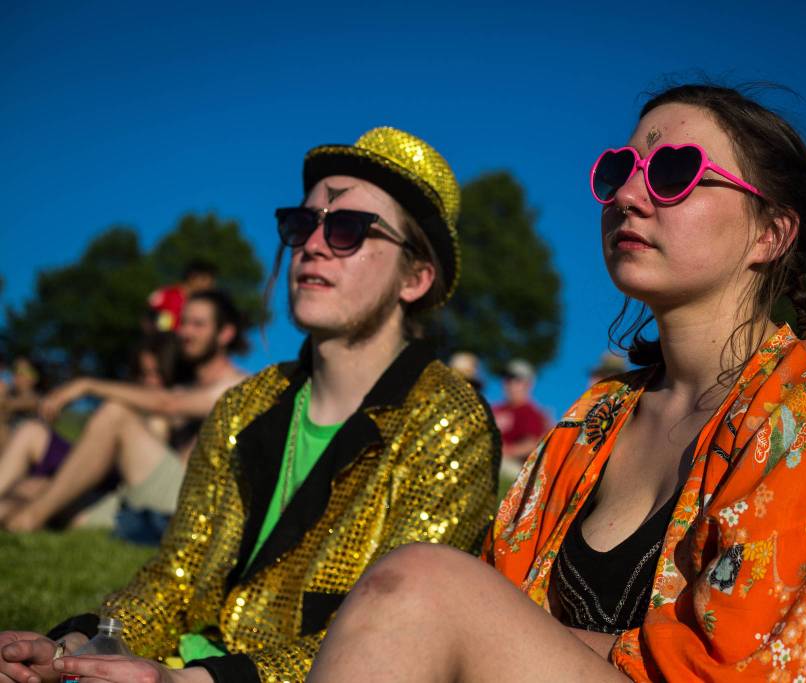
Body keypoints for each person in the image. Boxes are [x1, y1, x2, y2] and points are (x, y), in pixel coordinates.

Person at [304, 84, 806, 682]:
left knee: (422, 586)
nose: (628, 194)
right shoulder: (595, 418)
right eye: (619, 170)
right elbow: (501, 598)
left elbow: (753, 664)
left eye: (675, 171)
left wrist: (474, 633)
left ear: (771, 233)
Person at [2, 126, 500, 683]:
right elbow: (175, 579)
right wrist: (76, 646)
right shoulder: (245, 405)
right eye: (301, 223)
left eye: (347, 229)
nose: (311, 243)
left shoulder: (448, 418)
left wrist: (198, 681)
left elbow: (397, 637)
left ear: (416, 276)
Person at [2, 290, 248, 534]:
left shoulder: (238, 386)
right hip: (147, 489)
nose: (185, 332)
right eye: (184, 322)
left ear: (225, 333)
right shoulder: (188, 387)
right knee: (31, 489)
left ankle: (28, 521)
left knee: (115, 414)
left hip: (189, 497)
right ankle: (23, 514)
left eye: (198, 324)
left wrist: (87, 385)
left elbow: (168, 403)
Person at [0, 334, 179, 526]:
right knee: (31, 441)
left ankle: (27, 519)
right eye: (144, 374)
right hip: (97, 475)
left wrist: (86, 386)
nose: (150, 381)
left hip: (117, 485)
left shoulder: (172, 407)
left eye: (157, 374)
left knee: (35, 486)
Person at [493, 358, 549, 479]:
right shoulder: (496, 409)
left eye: (515, 379)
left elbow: (531, 444)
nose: (509, 383)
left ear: (528, 384)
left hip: (514, 466)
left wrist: (505, 450)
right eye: (507, 378)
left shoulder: (531, 413)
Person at [147, 259, 218, 332]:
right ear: (193, 277)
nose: (210, 286)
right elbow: (147, 321)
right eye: (205, 280)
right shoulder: (165, 296)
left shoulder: (205, 303)